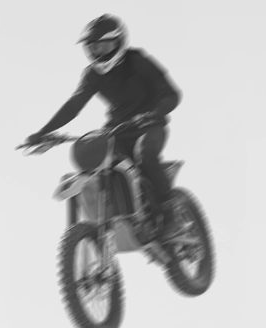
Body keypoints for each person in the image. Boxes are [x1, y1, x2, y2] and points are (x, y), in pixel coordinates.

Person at [26, 14, 182, 233]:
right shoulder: (92, 74)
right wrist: (43, 132)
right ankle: (112, 222)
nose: (99, 52)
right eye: (94, 48)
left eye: (104, 45)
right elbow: (74, 104)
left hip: (149, 125)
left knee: (145, 154)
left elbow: (171, 94)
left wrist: (154, 113)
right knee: (97, 164)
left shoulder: (137, 61)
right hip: (117, 130)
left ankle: (170, 215)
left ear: (119, 42)